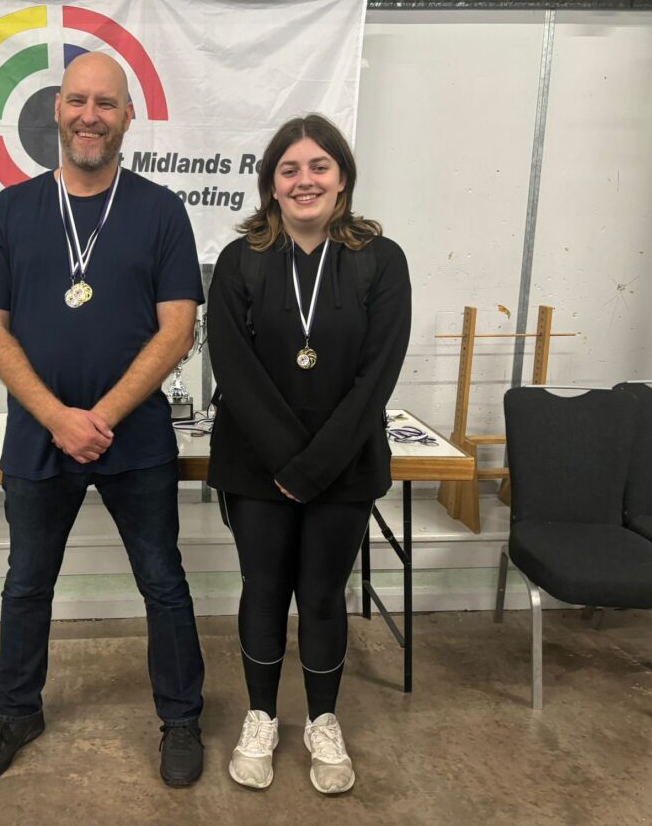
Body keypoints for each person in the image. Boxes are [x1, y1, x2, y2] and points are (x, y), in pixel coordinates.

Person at [0, 51, 206, 788]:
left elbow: (178, 330)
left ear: (129, 116)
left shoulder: (161, 210)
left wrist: (94, 418)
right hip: (38, 440)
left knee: (162, 581)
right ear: (57, 111)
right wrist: (56, 418)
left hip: (135, 438)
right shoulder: (11, 210)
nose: (90, 115)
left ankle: (182, 717)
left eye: (107, 103)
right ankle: (15, 712)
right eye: (78, 101)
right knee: (26, 584)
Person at [207, 114, 411, 794]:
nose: (305, 181)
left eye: (319, 166)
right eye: (289, 169)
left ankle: (323, 719)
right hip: (255, 466)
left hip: (343, 465)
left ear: (342, 177)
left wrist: (316, 465)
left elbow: (377, 375)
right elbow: (233, 368)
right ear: (270, 184)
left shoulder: (381, 261)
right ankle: (262, 717)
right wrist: (288, 464)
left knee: (322, 594)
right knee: (263, 590)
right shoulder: (242, 261)